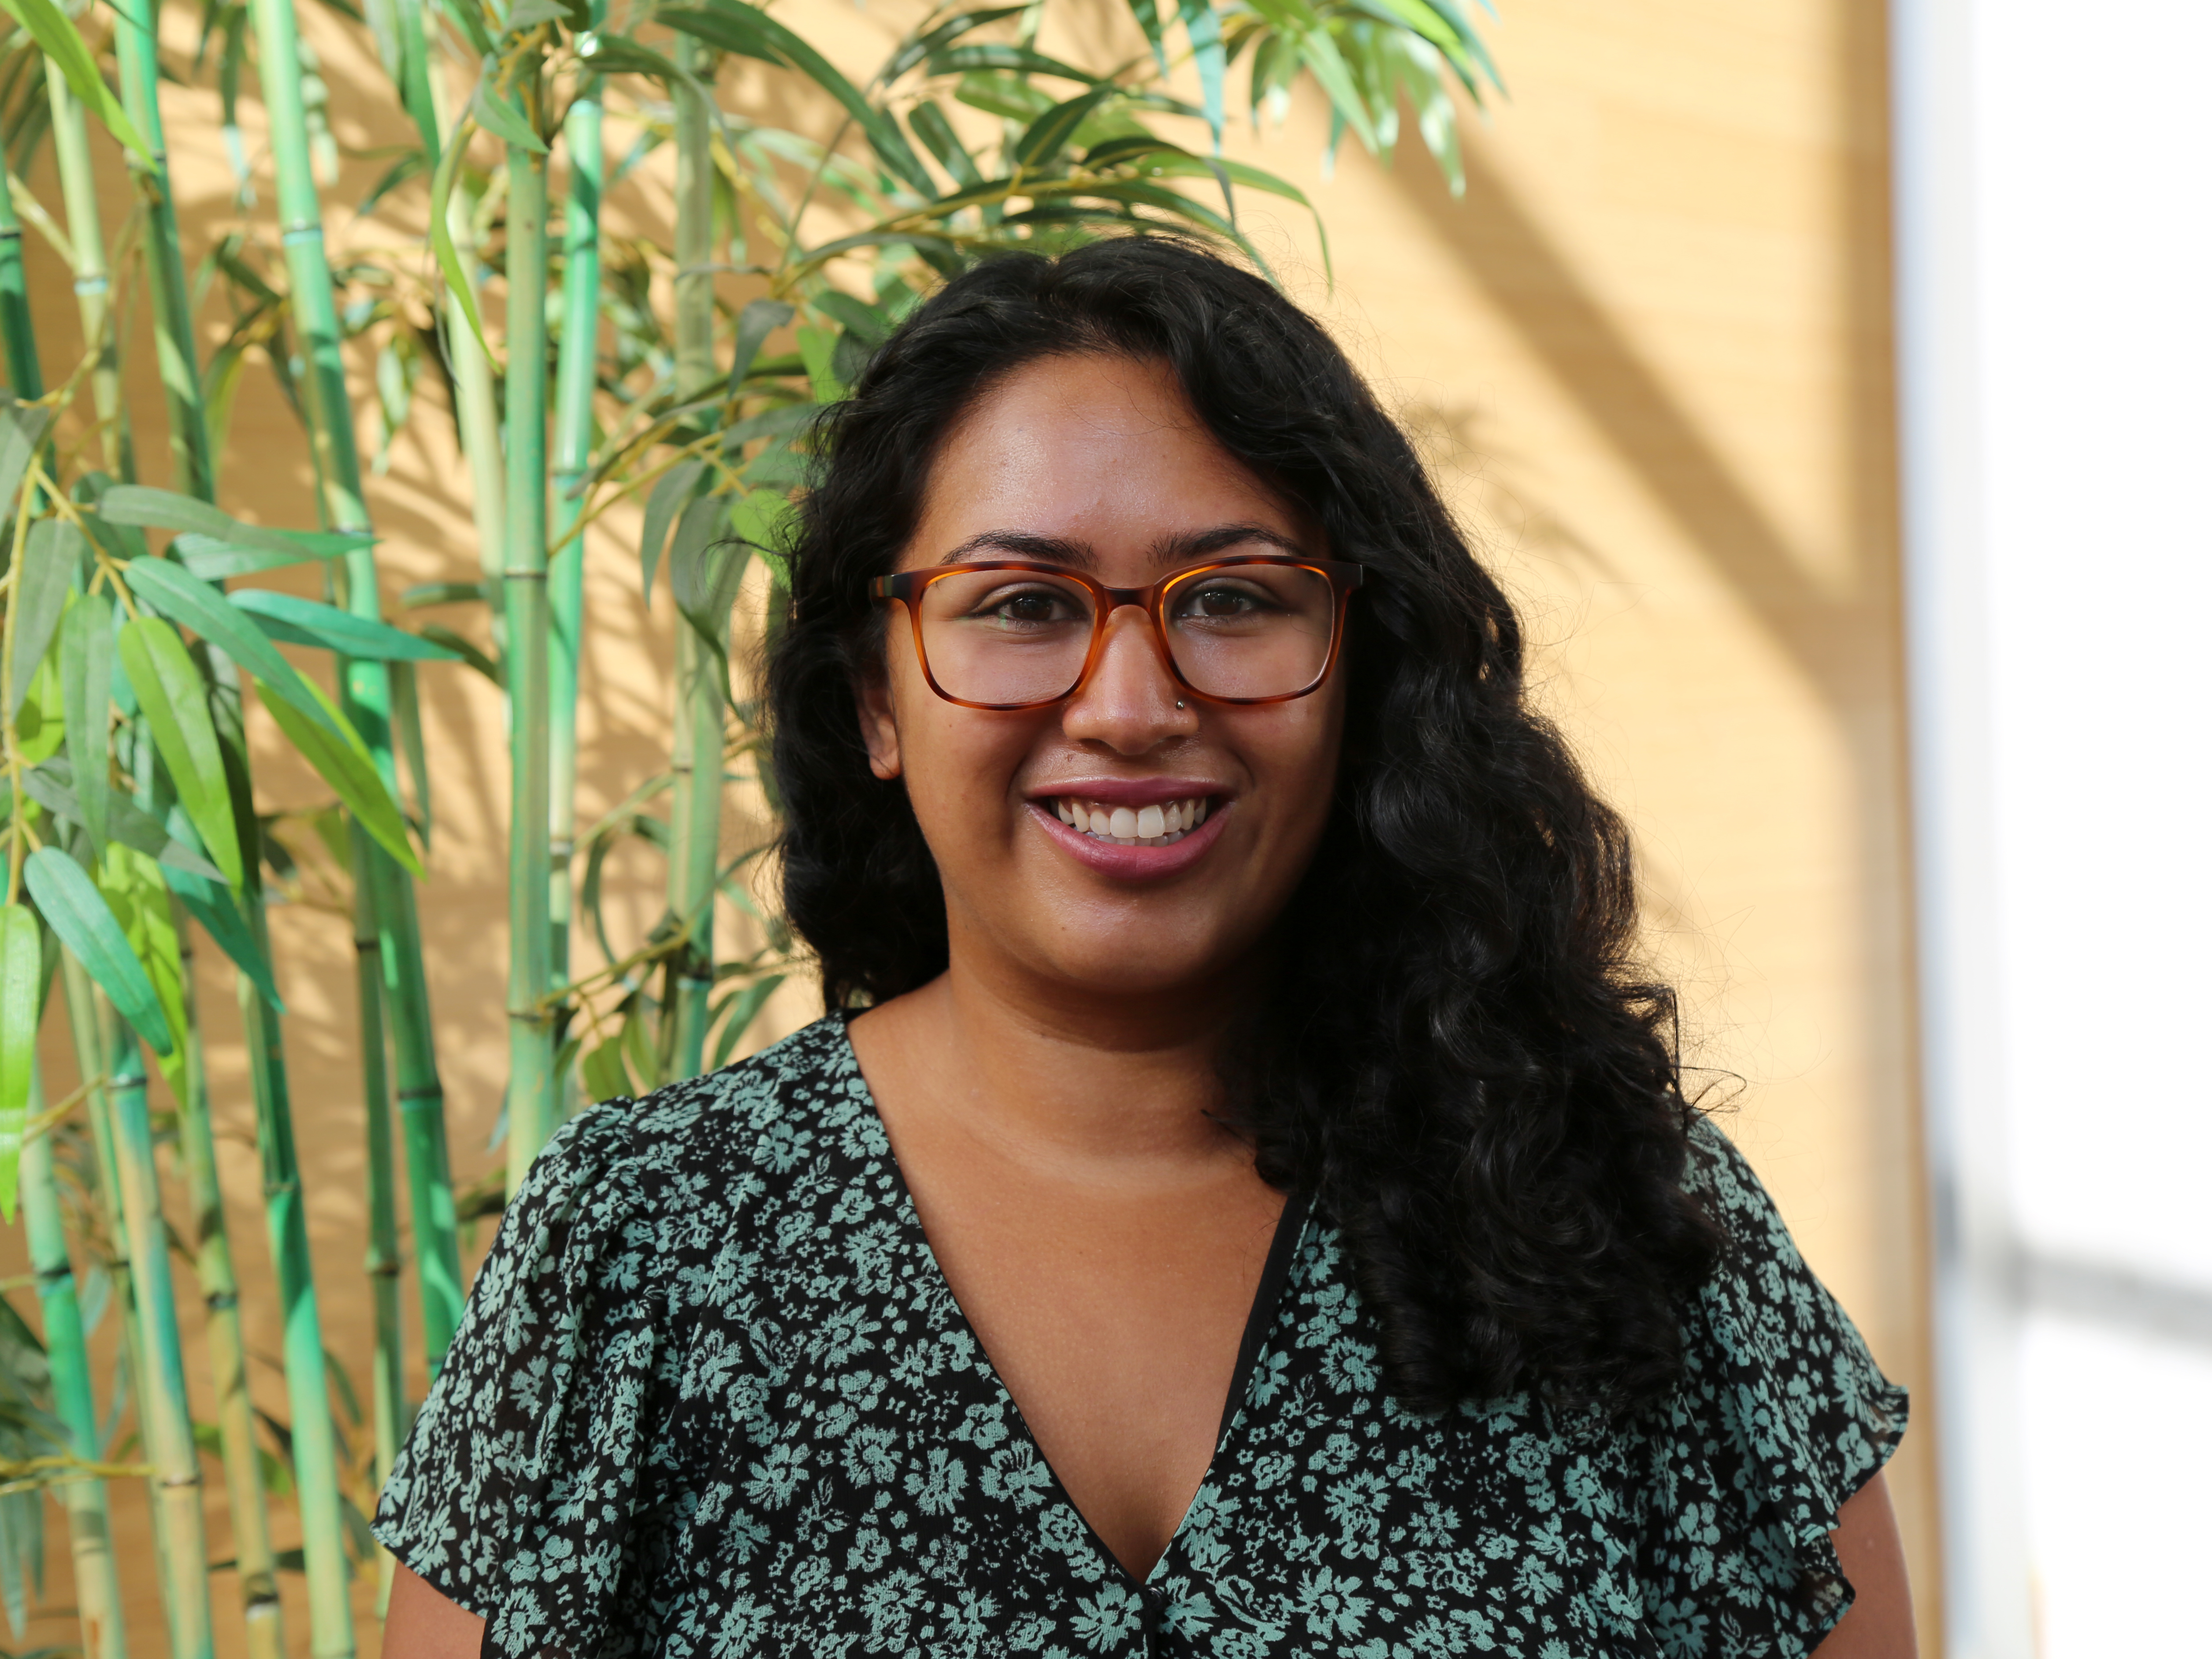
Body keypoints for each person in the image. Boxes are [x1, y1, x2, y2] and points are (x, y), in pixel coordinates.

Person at [377, 236, 1913, 1658]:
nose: (1128, 704)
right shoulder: (642, 1249)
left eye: (1233, 598)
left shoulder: (1623, 1213)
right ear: (873, 701)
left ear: (1357, 673)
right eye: (1025, 602)